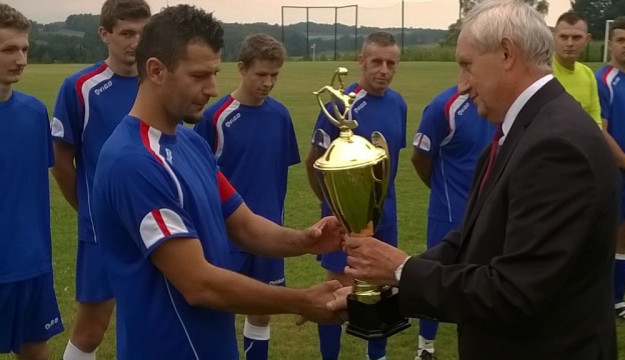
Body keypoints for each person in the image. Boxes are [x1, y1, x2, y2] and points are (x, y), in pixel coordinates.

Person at [339, 1, 619, 359]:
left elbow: (515, 293)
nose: (463, 84)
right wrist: (385, 289)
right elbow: (470, 243)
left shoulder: (555, 146)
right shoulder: (520, 131)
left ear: (506, 53)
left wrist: (402, 269)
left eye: (467, 65)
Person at [91, 5, 345, 359]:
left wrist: (305, 239)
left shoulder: (190, 141)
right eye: (199, 76)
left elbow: (242, 224)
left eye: (214, 73)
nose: (212, 88)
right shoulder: (133, 162)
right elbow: (198, 284)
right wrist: (302, 301)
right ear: (156, 71)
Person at [49, 1, 151, 359]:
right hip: (102, 232)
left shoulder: (158, 80)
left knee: (151, 323)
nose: (136, 42)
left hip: (158, 226)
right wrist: (92, 209)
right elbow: (61, 162)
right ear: (105, 34)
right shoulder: (80, 87)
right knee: (91, 330)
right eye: (126, 33)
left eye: (143, 32)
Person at [193, 33, 299, 360]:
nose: (268, 83)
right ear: (241, 68)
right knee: (220, 307)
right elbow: (198, 174)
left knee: (262, 308)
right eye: (261, 75)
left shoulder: (281, 116)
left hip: (269, 231)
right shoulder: (216, 117)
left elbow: (278, 170)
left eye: (274, 76)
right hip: (226, 233)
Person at [304, 31, 407, 360]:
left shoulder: (399, 103)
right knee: (337, 289)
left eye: (391, 63)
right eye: (376, 61)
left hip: (385, 213)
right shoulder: (340, 104)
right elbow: (314, 160)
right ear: (361, 62)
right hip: (345, 219)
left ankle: (377, 355)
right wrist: (335, 205)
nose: (383, 70)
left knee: (383, 287)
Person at [410, 86, 494, 360]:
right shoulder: (443, 107)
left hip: (491, 210)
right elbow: (420, 157)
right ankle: (425, 347)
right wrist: (443, 190)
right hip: (448, 212)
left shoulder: (500, 99)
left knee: (486, 279)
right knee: (433, 276)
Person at [0, 4, 64, 359]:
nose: (21, 59)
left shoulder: (35, 111)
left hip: (32, 263)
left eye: (25, 48)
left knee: (37, 353)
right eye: (9, 49)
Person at [595, 16, 625, 323]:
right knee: (602, 238)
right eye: (621, 40)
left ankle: (616, 301)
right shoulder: (603, 81)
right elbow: (601, 131)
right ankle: (594, 302)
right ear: (610, 43)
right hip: (617, 173)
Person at [552, 10, 602, 127]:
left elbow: (595, 121)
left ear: (587, 39)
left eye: (576, 37)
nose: (570, 43)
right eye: (564, 37)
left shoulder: (588, 74)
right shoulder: (540, 73)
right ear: (554, 38)